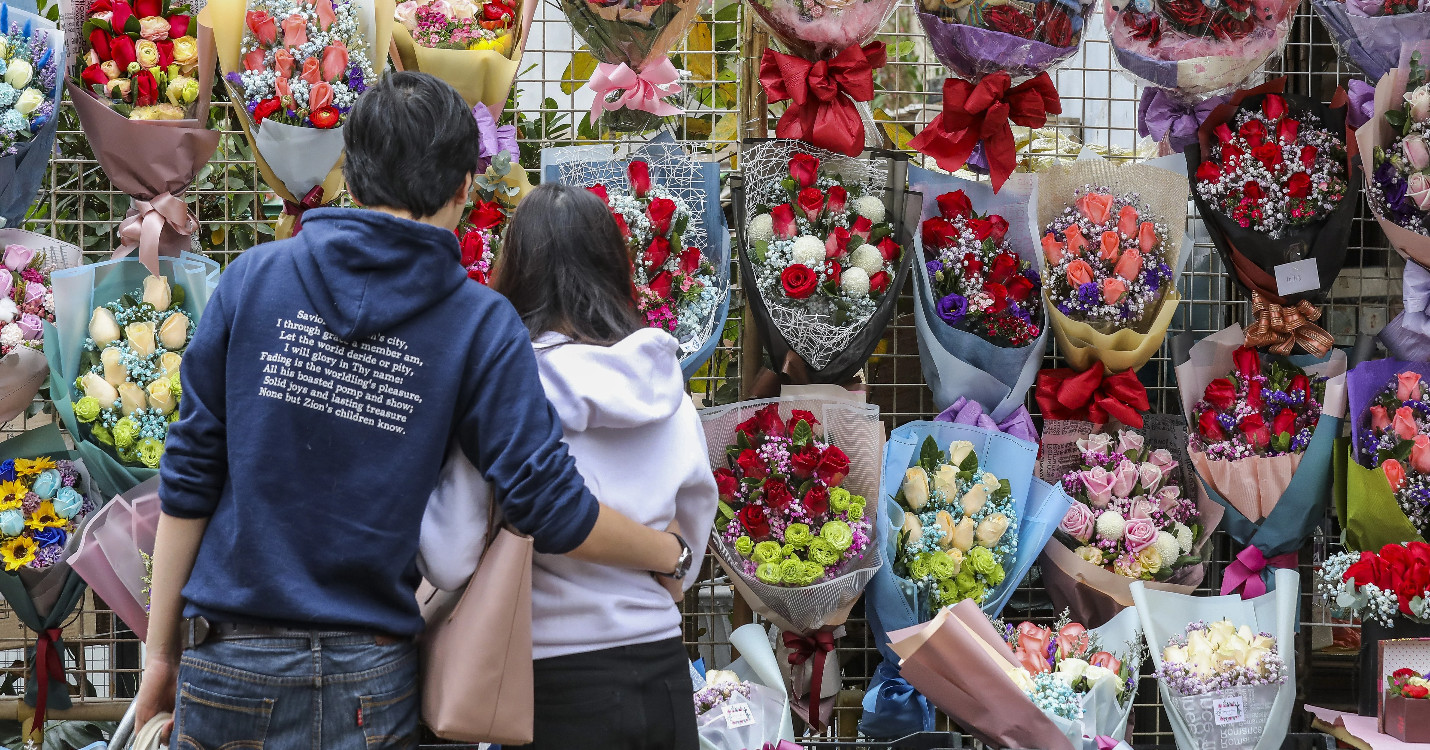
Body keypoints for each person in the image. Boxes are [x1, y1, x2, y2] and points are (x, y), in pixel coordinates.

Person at [133, 72, 695, 749]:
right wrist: (672, 552)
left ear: (348, 167)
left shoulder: (253, 280)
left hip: (232, 663)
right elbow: (548, 504)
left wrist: (161, 654)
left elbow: (188, 481)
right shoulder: (477, 323)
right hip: (372, 677)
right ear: (464, 188)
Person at [425, 183, 716, 749]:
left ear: (516, 269)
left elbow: (449, 558)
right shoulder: (665, 389)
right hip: (661, 675)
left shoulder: (503, 393)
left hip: (546, 684)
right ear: (615, 266)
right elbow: (687, 555)